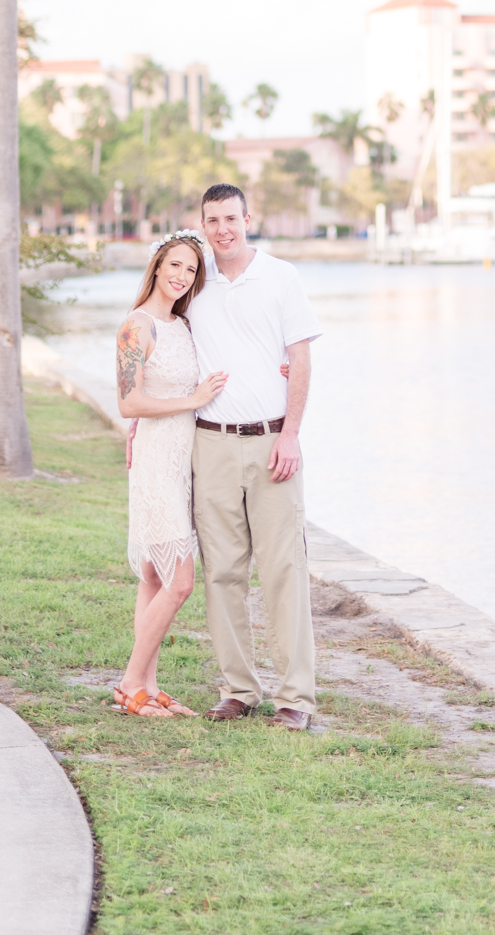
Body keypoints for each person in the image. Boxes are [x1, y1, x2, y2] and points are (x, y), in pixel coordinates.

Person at [188, 181, 323, 728]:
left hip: (272, 443)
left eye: (231, 219)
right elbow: (159, 342)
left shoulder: (282, 277)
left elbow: (301, 359)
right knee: (221, 571)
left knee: (283, 571)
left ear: (249, 219)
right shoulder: (193, 281)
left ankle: (296, 698)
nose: (222, 230)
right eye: (212, 221)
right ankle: (239, 690)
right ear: (202, 224)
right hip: (210, 442)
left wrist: (290, 434)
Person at [114, 231, 229, 718]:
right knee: (180, 581)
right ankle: (129, 684)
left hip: (185, 461)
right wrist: (192, 400)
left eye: (191, 270)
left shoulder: (183, 326)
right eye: (175, 265)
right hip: (157, 461)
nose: (182, 277)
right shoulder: (136, 327)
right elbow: (128, 403)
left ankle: (149, 685)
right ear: (157, 266)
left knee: (153, 578)